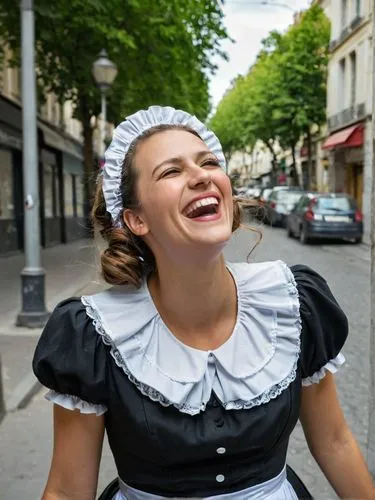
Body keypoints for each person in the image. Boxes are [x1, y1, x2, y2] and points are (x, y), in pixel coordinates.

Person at [33, 106, 374, 500]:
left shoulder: (292, 303)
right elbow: (66, 490)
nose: (201, 176)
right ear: (136, 220)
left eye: (209, 162)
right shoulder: (94, 335)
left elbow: (334, 442)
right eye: (171, 171)